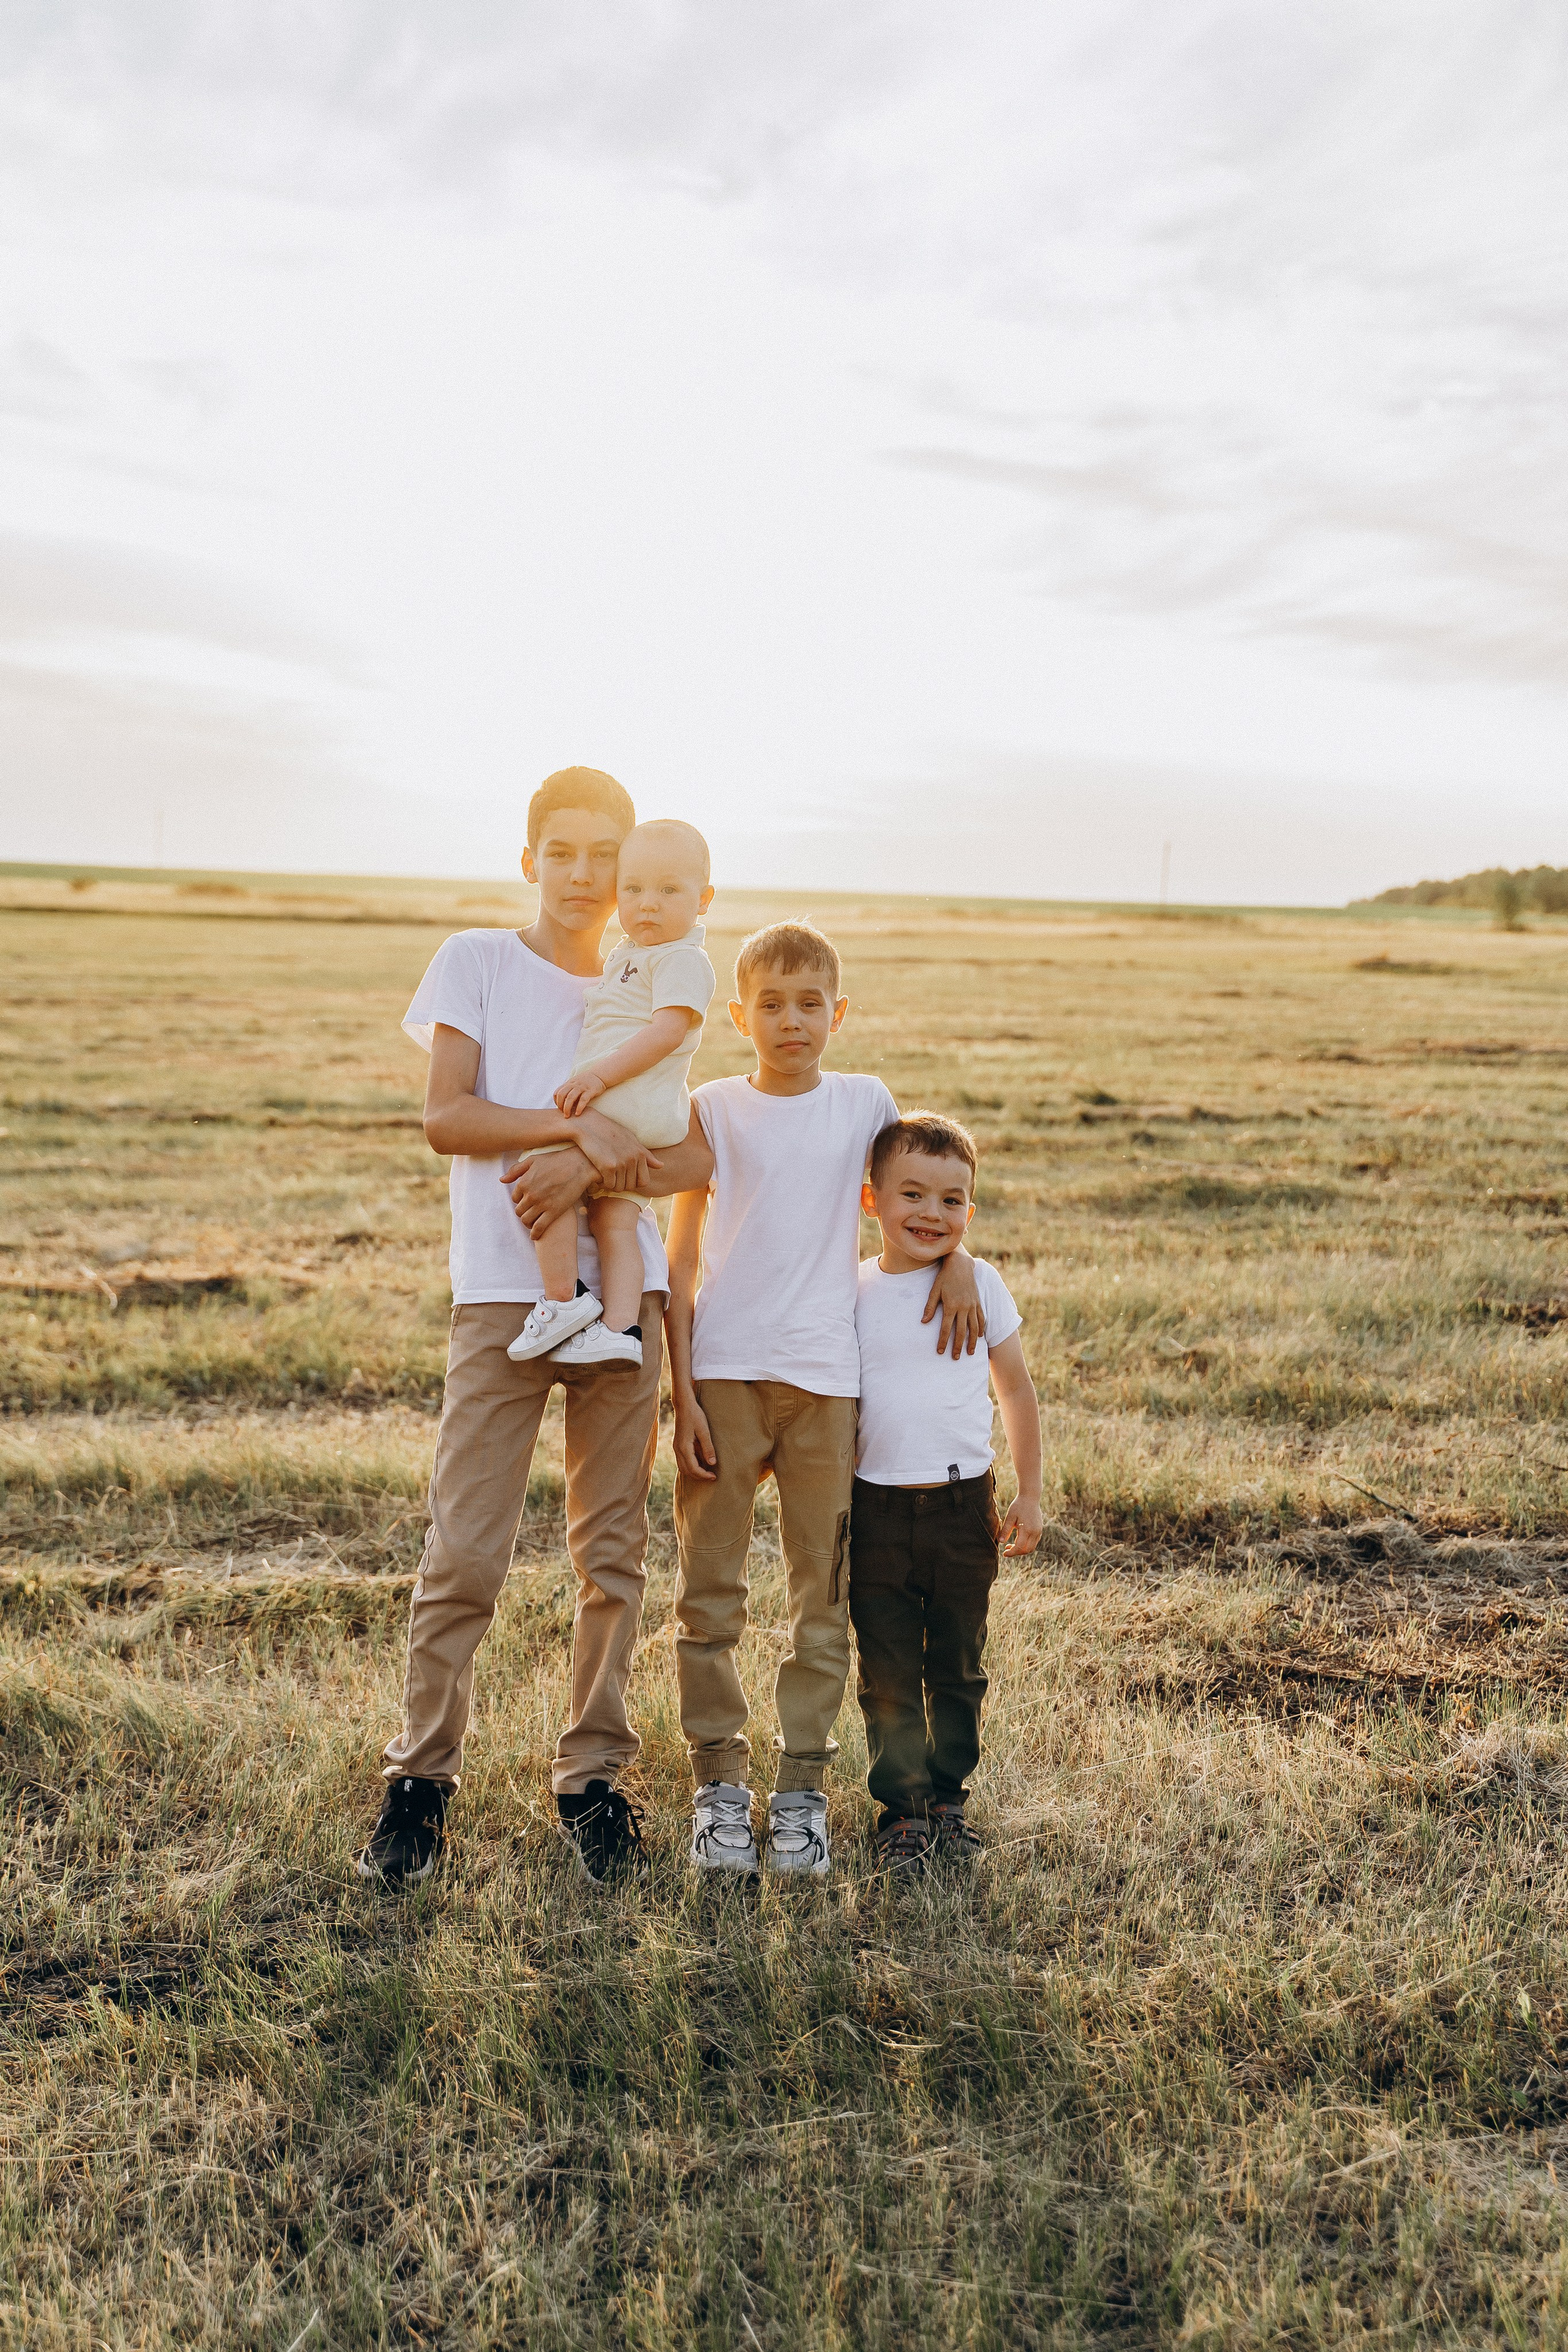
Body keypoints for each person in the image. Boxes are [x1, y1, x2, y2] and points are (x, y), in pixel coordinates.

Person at [356, 766, 715, 1889]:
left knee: (613, 1554)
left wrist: (599, 1159)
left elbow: (692, 1153)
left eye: (603, 857)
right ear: (528, 861)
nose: (582, 875)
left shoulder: (648, 975)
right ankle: (419, 1784)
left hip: (622, 1300)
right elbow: (445, 1116)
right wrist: (566, 1149)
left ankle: (593, 1780)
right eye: (560, 852)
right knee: (464, 1548)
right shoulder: (476, 961)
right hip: (500, 1300)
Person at [663, 920, 986, 1881]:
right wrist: (677, 1395)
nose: (791, 1021)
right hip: (723, 1376)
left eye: (810, 1004)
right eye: (770, 1004)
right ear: (739, 1015)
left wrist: (959, 1256)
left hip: (827, 1389)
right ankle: (719, 1788)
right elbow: (679, 1257)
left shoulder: (864, 1103)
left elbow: (914, 1196)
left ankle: (801, 1792)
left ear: (838, 1013)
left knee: (824, 1599)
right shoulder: (713, 1108)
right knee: (708, 1596)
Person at [848, 1112, 1044, 1875]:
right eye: (913, 1195)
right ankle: (902, 1811)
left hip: (964, 1508)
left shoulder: (981, 1281)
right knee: (889, 1668)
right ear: (873, 1202)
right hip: (877, 1511)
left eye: (952, 1201)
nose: (932, 1215)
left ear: (971, 1210)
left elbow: (1017, 1391)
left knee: (959, 1663)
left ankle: (949, 1798)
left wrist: (1028, 1494)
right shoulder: (854, 1289)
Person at [505, 820, 715, 1371]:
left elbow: (669, 1031)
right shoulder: (637, 951)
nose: (648, 904)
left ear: (704, 900)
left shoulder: (682, 958)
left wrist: (598, 1079)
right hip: (643, 1108)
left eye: (669, 891)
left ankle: (562, 1301)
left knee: (542, 1169)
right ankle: (619, 1329)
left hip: (629, 1098)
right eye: (634, 889)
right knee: (614, 1218)